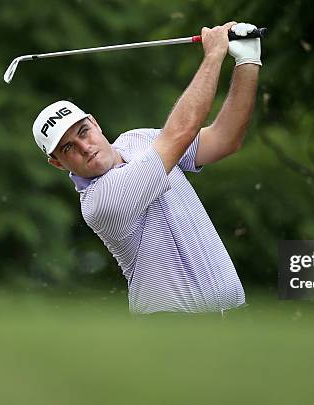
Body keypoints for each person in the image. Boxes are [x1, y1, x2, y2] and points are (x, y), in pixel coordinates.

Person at [31, 22, 261, 314]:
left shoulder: (139, 139)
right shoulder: (100, 202)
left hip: (233, 318)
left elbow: (225, 139)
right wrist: (214, 55)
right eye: (67, 148)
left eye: (83, 131)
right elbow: (179, 133)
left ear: (96, 123)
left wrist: (247, 61)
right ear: (57, 164)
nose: (84, 147)